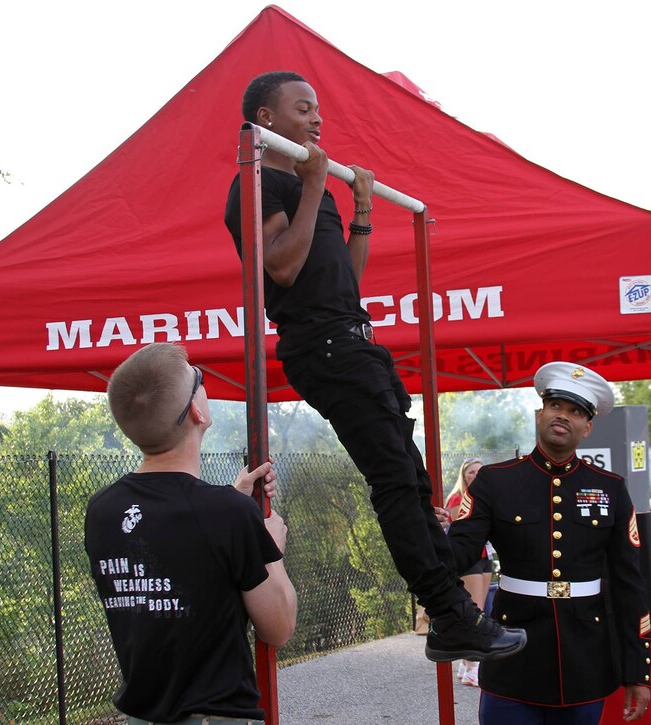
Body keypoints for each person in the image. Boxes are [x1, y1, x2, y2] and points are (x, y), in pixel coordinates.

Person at [223, 71, 525, 663]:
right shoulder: (256, 185)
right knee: (392, 481)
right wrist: (313, 186)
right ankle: (447, 610)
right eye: (302, 108)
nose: (316, 119)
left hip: (355, 338)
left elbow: (344, 276)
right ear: (264, 119)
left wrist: (359, 208)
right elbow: (281, 268)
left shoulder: (314, 188)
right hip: (324, 347)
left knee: (412, 480)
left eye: (318, 109)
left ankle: (449, 611)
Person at [84, 343, 295, 723]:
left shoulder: (102, 510)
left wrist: (236, 504)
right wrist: (271, 549)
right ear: (197, 410)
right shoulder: (226, 514)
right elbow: (278, 628)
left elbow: (175, 546)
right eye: (200, 380)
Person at [447, 362, 651, 724]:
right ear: (539, 414)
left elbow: (629, 584)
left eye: (576, 412)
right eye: (556, 406)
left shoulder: (610, 488)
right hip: (512, 654)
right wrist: (424, 536)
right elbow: (459, 555)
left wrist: (637, 671)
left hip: (585, 659)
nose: (563, 416)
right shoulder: (496, 481)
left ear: (587, 428)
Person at [445, 457, 492, 687]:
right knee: (474, 614)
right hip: (469, 560)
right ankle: (472, 665)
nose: (476, 475)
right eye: (472, 472)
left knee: (481, 611)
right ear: (464, 475)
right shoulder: (457, 498)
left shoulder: (487, 495)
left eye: (480, 471)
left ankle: (466, 664)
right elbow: (460, 527)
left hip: (485, 558)